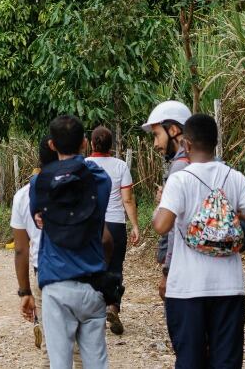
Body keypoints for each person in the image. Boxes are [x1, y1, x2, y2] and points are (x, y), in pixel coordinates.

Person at [152, 113, 245, 369]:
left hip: (187, 288)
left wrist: (160, 205)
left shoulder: (180, 179)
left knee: (189, 361)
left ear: (186, 144)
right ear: (215, 143)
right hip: (229, 287)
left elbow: (162, 225)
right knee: (227, 362)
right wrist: (240, 214)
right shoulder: (234, 177)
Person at [29, 115, 114, 369]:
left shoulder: (39, 183)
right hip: (92, 283)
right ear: (85, 143)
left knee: (59, 363)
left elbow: (39, 220)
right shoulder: (101, 179)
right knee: (96, 362)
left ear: (52, 145)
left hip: (56, 284)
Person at [88, 126, 139, 335]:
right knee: (115, 267)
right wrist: (134, 224)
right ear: (112, 145)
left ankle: (93, 314)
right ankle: (112, 306)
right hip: (116, 224)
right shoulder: (120, 166)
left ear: (92, 144)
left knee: (91, 269)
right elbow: (127, 199)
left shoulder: (84, 165)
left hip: (91, 224)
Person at [143, 100, 193, 297]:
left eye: (157, 135)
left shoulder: (180, 167)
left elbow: (171, 227)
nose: (155, 144)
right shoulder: (209, 162)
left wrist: (167, 270)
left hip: (183, 268)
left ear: (173, 130)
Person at [11, 137, 56, 348]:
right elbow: (105, 239)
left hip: (44, 271)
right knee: (81, 349)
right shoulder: (86, 186)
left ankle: (41, 324)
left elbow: (21, 249)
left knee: (51, 347)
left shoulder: (23, 195)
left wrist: (24, 291)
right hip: (82, 270)